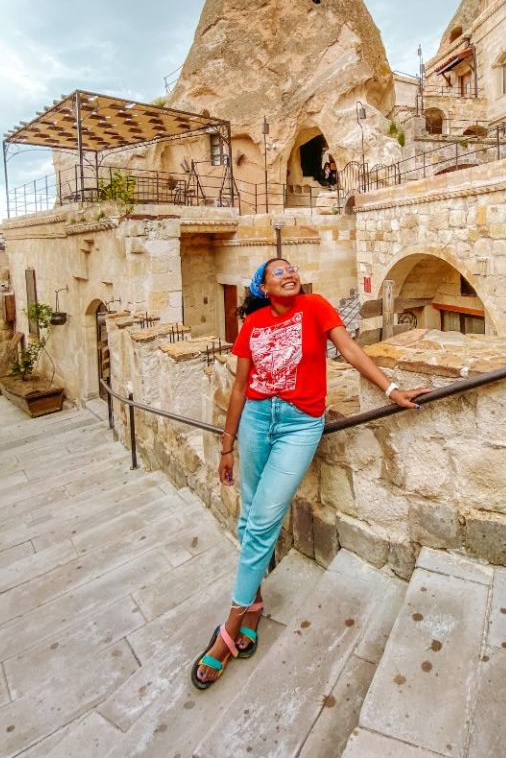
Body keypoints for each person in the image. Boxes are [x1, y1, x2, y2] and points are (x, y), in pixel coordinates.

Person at [191, 257, 427, 688]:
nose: (290, 274)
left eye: (293, 269)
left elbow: (351, 350)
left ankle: (230, 626)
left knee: (263, 519)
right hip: (257, 420)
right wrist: (227, 446)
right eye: (278, 272)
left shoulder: (315, 307)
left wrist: (391, 390)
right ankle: (256, 602)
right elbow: (241, 388)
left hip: (300, 423)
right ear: (262, 286)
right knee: (248, 516)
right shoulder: (253, 325)